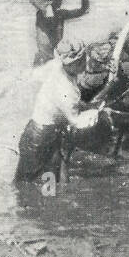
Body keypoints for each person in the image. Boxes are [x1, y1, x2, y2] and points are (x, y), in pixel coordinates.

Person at [15, 39, 106, 183]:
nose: (85, 62)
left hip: (46, 132)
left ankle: (49, 203)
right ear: (72, 64)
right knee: (26, 185)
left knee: (50, 181)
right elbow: (76, 121)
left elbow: (34, 76)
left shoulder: (58, 66)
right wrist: (96, 113)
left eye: (84, 58)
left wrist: (86, 106)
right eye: (81, 61)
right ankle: (31, 203)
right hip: (39, 139)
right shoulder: (67, 91)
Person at [34, 0, 89, 66]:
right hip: (45, 55)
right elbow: (49, 21)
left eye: (60, 0)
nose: (60, 2)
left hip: (57, 53)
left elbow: (82, 10)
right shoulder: (41, 15)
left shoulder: (60, 14)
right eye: (58, 0)